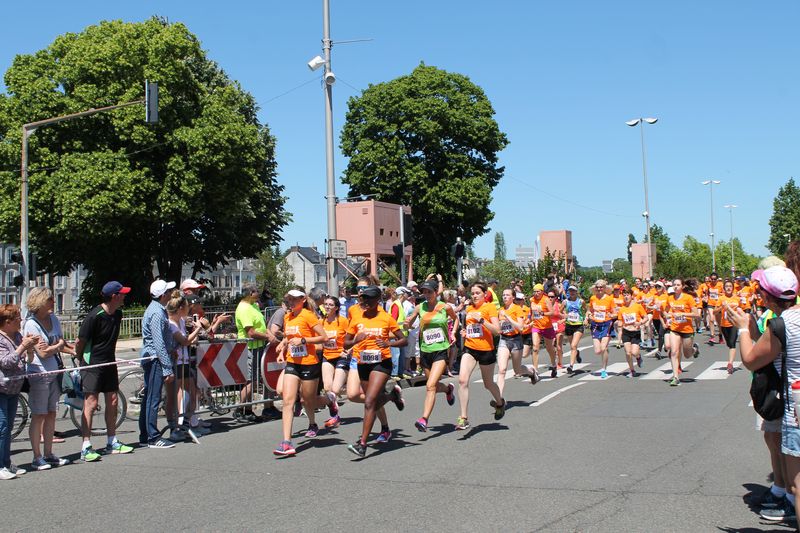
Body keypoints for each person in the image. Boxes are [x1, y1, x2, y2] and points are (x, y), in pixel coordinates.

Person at [730, 266, 799, 523]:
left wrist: (743, 330)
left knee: (798, 483)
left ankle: (789, 501)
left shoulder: (782, 324)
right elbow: (770, 348)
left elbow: (751, 360)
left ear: (769, 298)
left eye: (761, 293)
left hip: (794, 403)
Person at [344, 286, 407, 457]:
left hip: (382, 363)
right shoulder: (357, 317)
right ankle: (391, 396)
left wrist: (389, 344)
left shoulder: (386, 318)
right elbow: (345, 343)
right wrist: (356, 339)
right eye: (363, 298)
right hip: (363, 363)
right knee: (372, 402)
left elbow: (404, 340)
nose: (365, 302)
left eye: (369, 299)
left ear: (377, 300)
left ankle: (362, 444)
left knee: (370, 401)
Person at [75, 281, 134, 460]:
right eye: (122, 293)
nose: (124, 296)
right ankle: (86, 445)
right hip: (93, 363)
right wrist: (81, 360)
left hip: (109, 363)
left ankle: (112, 441)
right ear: (114, 296)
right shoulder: (95, 316)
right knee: (91, 403)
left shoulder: (118, 314)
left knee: (113, 400)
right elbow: (80, 342)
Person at [273, 289, 330, 457]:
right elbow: (290, 336)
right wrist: (282, 346)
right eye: (288, 299)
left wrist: (304, 340)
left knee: (307, 399)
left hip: (309, 363)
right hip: (293, 363)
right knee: (287, 400)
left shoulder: (308, 316)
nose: (290, 302)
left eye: (294, 299)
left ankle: (328, 402)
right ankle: (286, 442)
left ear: (303, 300)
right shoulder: (287, 317)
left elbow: (324, 338)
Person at [24, 287, 72, 470]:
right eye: (50, 299)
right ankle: (37, 457)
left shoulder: (53, 319)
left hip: (54, 372)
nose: (53, 302)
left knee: (52, 413)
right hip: (38, 373)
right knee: (39, 414)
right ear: (41, 301)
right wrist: (56, 346)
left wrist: (56, 345)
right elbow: (42, 353)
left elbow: (60, 340)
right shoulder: (31, 323)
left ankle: (49, 452)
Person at [404, 279, 458, 431]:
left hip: (441, 350)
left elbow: (456, 319)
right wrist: (407, 324)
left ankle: (424, 418)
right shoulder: (419, 307)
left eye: (429, 292)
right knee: (433, 385)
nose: (426, 295)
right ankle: (448, 390)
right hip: (425, 351)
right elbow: (410, 323)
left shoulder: (444, 307)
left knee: (430, 386)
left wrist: (453, 333)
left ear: (436, 292)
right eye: (424, 292)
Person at [456, 282, 505, 430]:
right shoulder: (469, 308)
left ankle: (500, 402)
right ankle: (464, 417)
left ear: (485, 294)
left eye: (477, 293)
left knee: (488, 384)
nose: (475, 295)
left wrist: (482, 320)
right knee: (462, 380)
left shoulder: (489, 308)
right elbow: (468, 327)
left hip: (486, 350)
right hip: (470, 348)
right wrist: (464, 332)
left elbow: (497, 331)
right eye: (473, 293)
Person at [0, 305, 39, 479]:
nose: (21, 321)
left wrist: (30, 348)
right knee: (2, 427)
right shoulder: (1, 339)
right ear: (7, 322)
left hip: (14, 389)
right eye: (17, 319)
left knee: (8, 428)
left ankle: (7, 463)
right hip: (1, 389)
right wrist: (22, 347)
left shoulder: (17, 336)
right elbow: (6, 362)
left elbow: (27, 359)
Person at [139, 279, 180, 449]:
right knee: (153, 398)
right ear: (163, 295)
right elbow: (158, 343)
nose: (171, 294)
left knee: (150, 397)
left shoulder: (156, 310)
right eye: (168, 292)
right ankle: (152, 436)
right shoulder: (156, 313)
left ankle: (145, 434)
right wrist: (167, 367)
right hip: (154, 359)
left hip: (154, 358)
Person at [166, 291, 205, 436]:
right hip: (178, 362)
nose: (188, 309)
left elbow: (189, 340)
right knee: (179, 393)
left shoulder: (181, 321)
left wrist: (193, 336)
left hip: (185, 359)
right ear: (180, 309)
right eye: (186, 307)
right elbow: (184, 340)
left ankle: (189, 422)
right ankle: (179, 424)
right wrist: (198, 329)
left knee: (191, 391)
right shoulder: (171, 324)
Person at [235, 285, 274, 422]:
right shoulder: (244, 308)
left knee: (255, 379)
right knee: (250, 380)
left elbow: (262, 324)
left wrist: (270, 336)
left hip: (258, 346)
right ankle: (241, 409)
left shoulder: (254, 305)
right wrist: (267, 337)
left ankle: (248, 409)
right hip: (249, 348)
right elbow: (250, 332)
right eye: (257, 291)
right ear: (251, 293)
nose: (259, 294)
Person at [662, 279, 700, 387]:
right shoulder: (670, 298)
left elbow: (696, 314)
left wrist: (683, 314)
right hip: (675, 328)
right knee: (674, 352)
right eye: (674, 285)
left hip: (687, 329)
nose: (676, 287)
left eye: (678, 285)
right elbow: (665, 311)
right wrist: (667, 314)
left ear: (682, 286)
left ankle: (695, 349)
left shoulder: (688, 298)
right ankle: (675, 377)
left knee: (687, 354)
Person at [320, 296, 347, 429]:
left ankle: (335, 416)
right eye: (326, 304)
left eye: (331, 304)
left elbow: (353, 338)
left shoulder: (343, 321)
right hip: (327, 356)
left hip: (341, 356)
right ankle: (335, 417)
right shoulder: (322, 322)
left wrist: (348, 351)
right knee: (327, 388)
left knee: (335, 389)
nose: (327, 306)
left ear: (336, 307)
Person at [617, 288, 649, 377]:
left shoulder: (637, 306)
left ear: (631, 296)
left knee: (634, 352)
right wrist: (618, 328)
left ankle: (638, 357)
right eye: (624, 295)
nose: (626, 297)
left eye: (627, 295)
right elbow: (620, 322)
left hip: (635, 332)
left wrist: (640, 323)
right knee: (628, 352)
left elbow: (646, 318)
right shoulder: (622, 309)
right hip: (626, 332)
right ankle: (632, 370)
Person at [529, 283, 558, 379]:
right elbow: (532, 312)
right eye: (535, 291)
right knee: (535, 347)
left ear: (542, 291)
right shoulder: (532, 300)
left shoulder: (546, 299)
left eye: (538, 291)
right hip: (536, 326)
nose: (536, 293)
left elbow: (552, 313)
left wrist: (543, 313)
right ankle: (535, 370)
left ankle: (554, 365)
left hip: (547, 327)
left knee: (549, 348)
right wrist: (530, 320)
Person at [587, 280, 615, 379]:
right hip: (595, 325)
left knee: (603, 348)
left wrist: (612, 315)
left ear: (605, 288)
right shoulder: (593, 298)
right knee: (597, 351)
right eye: (597, 287)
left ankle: (604, 369)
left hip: (606, 324)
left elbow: (615, 312)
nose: (599, 289)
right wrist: (589, 316)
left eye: (601, 287)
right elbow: (590, 310)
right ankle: (605, 351)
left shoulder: (609, 299)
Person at [715, 279, 741, 374]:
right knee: (729, 344)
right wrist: (722, 307)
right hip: (724, 324)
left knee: (732, 343)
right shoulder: (721, 299)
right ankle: (730, 359)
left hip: (734, 323)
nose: (728, 288)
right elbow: (714, 312)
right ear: (724, 289)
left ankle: (730, 363)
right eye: (727, 286)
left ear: (733, 288)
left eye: (730, 286)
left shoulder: (737, 298)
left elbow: (743, 309)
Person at [561, 286, 586, 374]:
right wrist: (564, 315)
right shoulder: (565, 302)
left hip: (578, 325)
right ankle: (577, 353)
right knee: (573, 346)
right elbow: (560, 312)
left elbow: (585, 310)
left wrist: (586, 319)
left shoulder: (581, 301)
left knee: (573, 346)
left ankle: (571, 366)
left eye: (573, 291)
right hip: (569, 326)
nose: (572, 293)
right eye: (570, 291)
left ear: (576, 292)